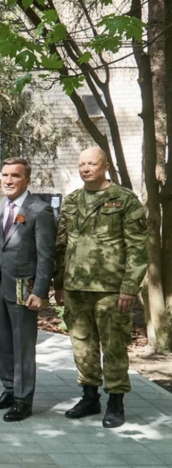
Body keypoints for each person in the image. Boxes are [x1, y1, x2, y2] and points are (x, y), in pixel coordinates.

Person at [54, 147, 148, 428]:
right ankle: (89, 396)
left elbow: (138, 247)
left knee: (114, 345)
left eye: (91, 163)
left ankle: (116, 401)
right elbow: (61, 246)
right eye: (81, 164)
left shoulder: (124, 200)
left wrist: (130, 287)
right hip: (75, 287)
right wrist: (58, 284)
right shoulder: (71, 201)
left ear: (105, 166)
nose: (85, 168)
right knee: (82, 344)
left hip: (111, 288)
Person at [0, 157, 56, 422]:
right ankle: (9, 389)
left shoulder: (40, 210)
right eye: (5, 175)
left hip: (24, 289)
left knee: (23, 345)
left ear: (27, 179)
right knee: (3, 343)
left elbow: (46, 255)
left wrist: (39, 290)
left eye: (15, 175)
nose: (9, 180)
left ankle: (24, 399)